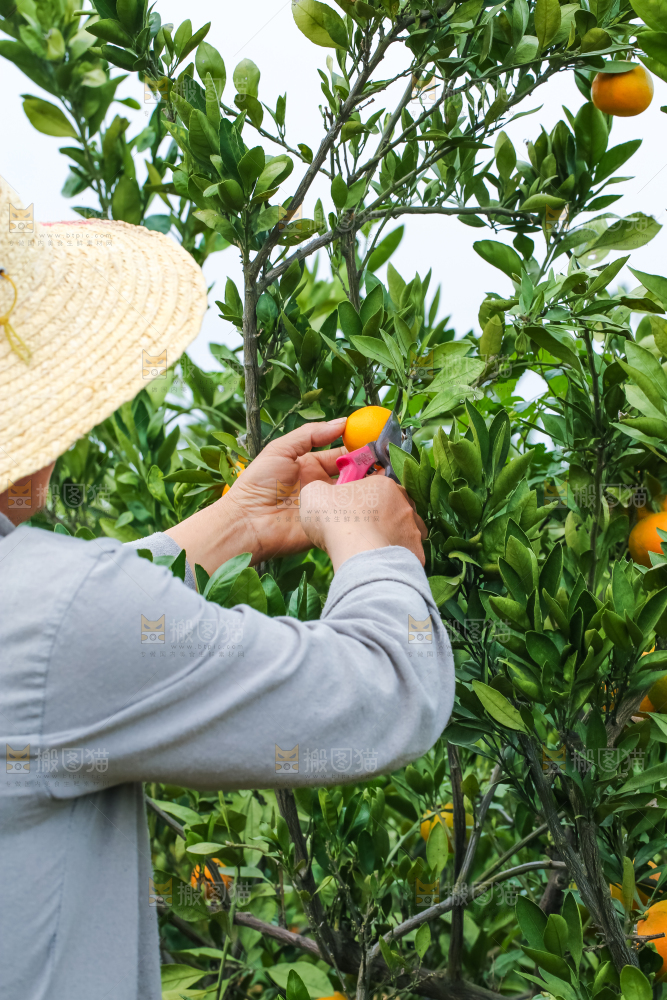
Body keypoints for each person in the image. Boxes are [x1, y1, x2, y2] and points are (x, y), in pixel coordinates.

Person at [0, 179, 454, 999]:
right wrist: (371, 544)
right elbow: (386, 692)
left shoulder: (42, 611)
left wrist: (237, 523)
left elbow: (60, 631)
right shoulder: (58, 621)